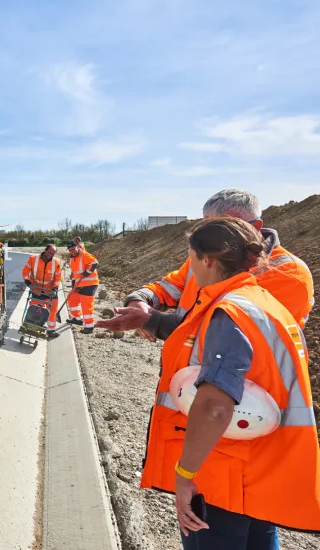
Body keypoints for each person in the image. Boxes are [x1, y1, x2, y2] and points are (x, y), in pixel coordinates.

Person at [139, 217, 320, 547]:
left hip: (223, 471)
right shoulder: (265, 304)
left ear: (207, 260)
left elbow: (215, 407)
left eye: (191, 259)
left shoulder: (229, 313)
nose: (190, 270)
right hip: (258, 464)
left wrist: (185, 476)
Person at [96, 189, 314, 340]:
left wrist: (153, 322)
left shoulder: (288, 273)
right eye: (209, 229)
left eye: (225, 230)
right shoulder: (206, 255)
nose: (214, 240)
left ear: (255, 226)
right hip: (183, 375)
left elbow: (230, 337)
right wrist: (138, 302)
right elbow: (167, 288)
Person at [22, 244, 62, 338]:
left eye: (52, 254)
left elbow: (57, 278)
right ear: (45, 250)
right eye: (49, 252)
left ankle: (51, 330)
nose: (50, 255)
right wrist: (29, 284)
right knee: (35, 309)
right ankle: (31, 327)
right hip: (36, 289)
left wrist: (55, 289)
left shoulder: (56, 262)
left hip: (50, 290)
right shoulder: (33, 259)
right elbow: (25, 272)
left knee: (53, 309)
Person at [66, 240, 99, 334]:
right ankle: (78, 319)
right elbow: (74, 273)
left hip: (89, 284)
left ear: (77, 247)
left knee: (86, 305)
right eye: (70, 250)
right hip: (79, 284)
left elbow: (95, 263)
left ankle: (89, 326)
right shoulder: (72, 258)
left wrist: (86, 273)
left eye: (73, 248)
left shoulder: (84, 254)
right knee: (71, 298)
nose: (72, 251)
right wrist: (74, 286)